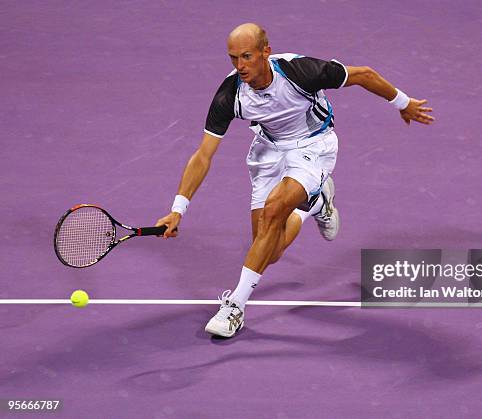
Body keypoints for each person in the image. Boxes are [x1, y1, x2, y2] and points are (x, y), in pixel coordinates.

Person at [155, 23, 435, 338]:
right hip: (268, 151)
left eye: (247, 56)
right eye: (234, 58)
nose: (240, 66)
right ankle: (313, 205)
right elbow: (203, 155)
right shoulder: (230, 94)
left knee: (275, 210)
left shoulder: (300, 72)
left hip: (313, 145)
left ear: (266, 51)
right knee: (268, 250)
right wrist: (178, 208)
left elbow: (364, 75)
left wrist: (403, 103)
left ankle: (235, 306)